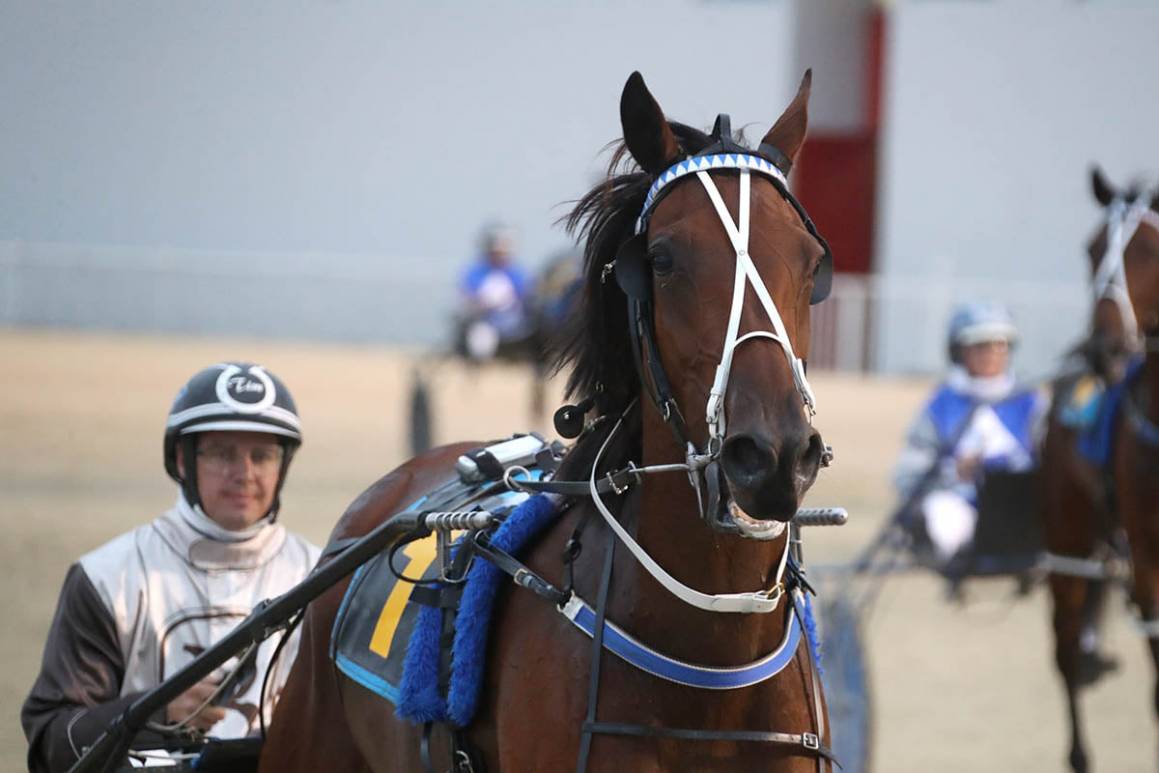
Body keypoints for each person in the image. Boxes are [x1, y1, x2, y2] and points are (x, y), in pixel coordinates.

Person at [22, 362, 320, 772]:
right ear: (182, 459)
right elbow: (51, 742)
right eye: (222, 453)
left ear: (282, 465)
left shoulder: (324, 577)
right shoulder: (107, 578)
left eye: (262, 455)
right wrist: (153, 714)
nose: (245, 474)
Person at [893, 302, 1047, 564]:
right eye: (980, 345)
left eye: (1000, 345)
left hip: (1020, 508)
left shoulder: (1031, 402)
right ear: (959, 351)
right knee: (940, 517)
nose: (992, 353)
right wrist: (954, 471)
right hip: (958, 504)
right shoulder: (941, 403)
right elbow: (908, 472)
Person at [456, 223, 534, 360]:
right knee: (481, 336)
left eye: (503, 251)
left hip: (515, 323)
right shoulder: (476, 271)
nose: (499, 255)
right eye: (496, 251)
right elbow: (467, 296)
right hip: (485, 322)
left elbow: (526, 296)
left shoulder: (517, 272)